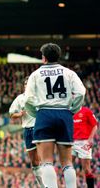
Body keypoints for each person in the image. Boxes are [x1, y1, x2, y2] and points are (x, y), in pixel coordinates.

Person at [24, 43, 86, 188]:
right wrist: (72, 110)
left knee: (46, 161)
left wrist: (36, 113)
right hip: (64, 113)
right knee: (67, 162)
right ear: (58, 56)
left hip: (44, 113)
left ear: (43, 58)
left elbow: (27, 99)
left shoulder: (35, 74)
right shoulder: (69, 73)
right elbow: (81, 92)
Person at [9, 77, 44, 187]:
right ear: (24, 86)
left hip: (38, 128)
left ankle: (48, 184)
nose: (27, 85)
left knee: (43, 158)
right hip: (27, 130)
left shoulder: (39, 96)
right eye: (25, 84)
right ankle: (42, 185)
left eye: (29, 84)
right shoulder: (20, 99)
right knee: (34, 162)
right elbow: (11, 113)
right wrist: (19, 114)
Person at [72, 106, 98, 188]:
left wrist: (90, 139)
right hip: (72, 142)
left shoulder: (86, 111)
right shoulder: (70, 111)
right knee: (67, 165)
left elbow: (95, 126)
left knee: (86, 169)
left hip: (84, 142)